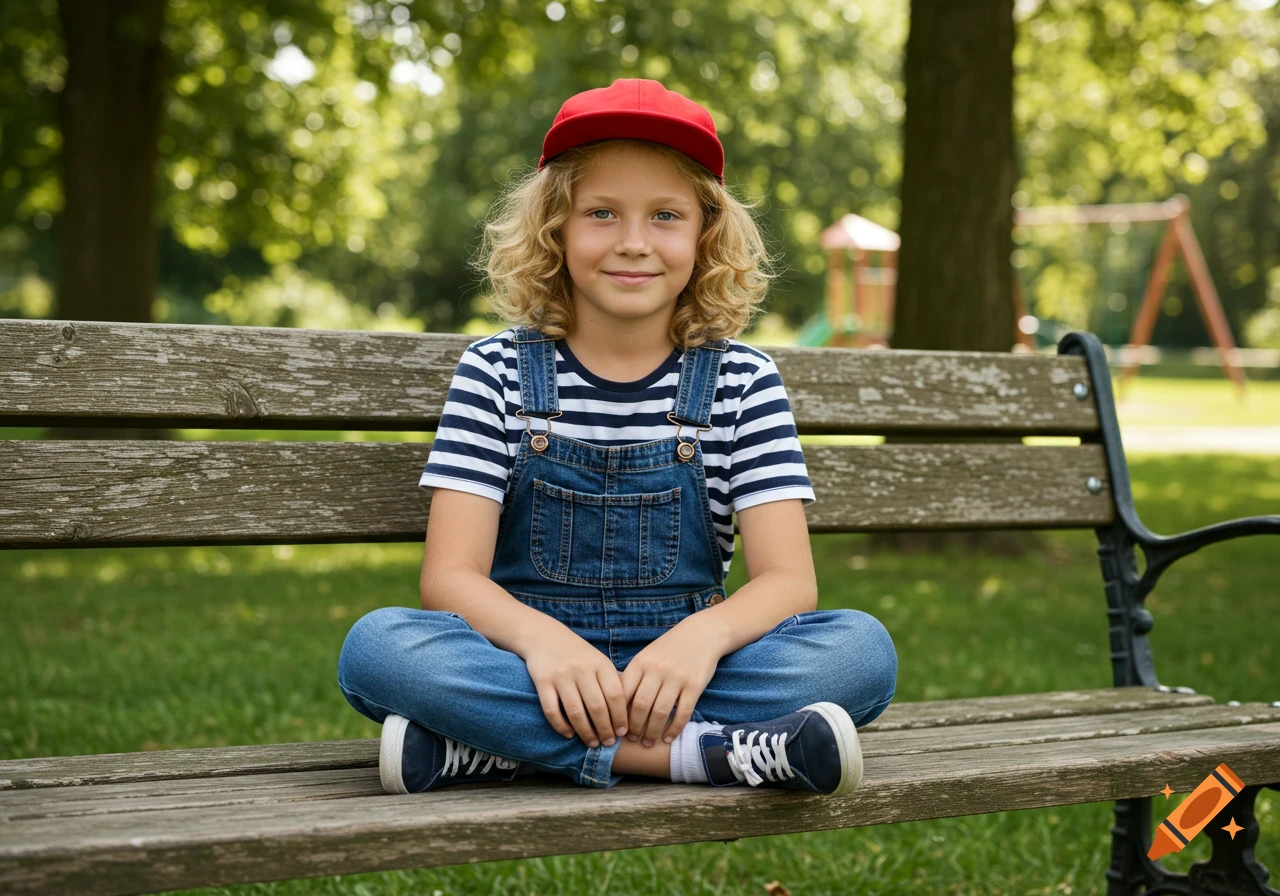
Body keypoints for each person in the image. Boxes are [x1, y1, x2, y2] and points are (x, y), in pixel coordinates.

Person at [337, 78, 898, 797]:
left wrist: (701, 641)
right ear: (555, 230)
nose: (634, 243)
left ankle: (496, 749)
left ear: (705, 234)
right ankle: (700, 755)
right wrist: (544, 644)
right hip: (531, 663)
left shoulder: (743, 381)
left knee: (860, 653)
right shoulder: (497, 372)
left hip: (689, 670)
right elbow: (451, 576)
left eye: (665, 215)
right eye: (601, 213)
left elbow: (789, 581)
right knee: (379, 651)